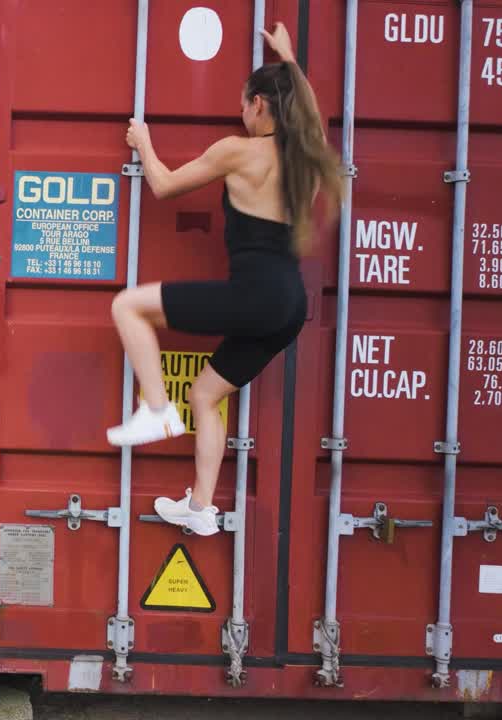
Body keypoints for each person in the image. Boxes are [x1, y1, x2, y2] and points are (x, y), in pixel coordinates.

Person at [105, 23, 343, 536]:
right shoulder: (307, 158)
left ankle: (154, 411)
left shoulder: (237, 150)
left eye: (244, 104)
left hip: (255, 296)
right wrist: (291, 60)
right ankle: (201, 507)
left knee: (127, 307)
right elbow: (313, 123)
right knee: (205, 395)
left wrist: (143, 142)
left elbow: (164, 185)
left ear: (259, 105)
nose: (241, 113)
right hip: (289, 308)